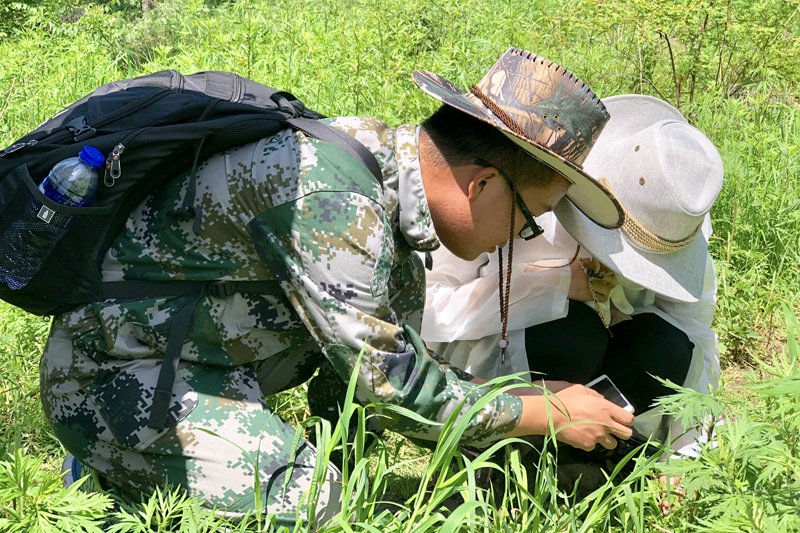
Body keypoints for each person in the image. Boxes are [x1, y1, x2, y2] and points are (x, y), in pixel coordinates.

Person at [39, 47, 634, 525]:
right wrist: (541, 414)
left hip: (193, 351)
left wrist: (527, 404)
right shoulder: (337, 203)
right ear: (481, 187)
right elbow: (390, 388)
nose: (520, 237)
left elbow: (379, 367)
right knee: (315, 504)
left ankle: (165, 456)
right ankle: (113, 465)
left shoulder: (384, 174)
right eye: (529, 216)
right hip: (114, 371)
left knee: (346, 425)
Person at [422, 94, 723, 454]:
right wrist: (553, 285)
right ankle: (513, 452)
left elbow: (696, 336)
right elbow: (433, 313)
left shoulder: (676, 232)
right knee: (573, 335)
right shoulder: (524, 190)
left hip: (615, 374)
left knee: (668, 346)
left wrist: (689, 451)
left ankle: (600, 454)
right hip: (501, 372)